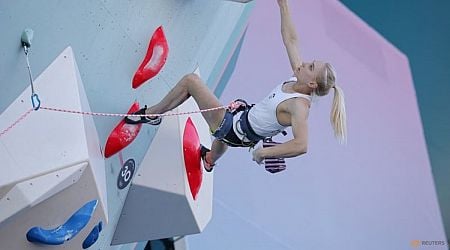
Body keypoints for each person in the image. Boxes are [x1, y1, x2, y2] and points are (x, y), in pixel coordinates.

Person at [124, 0, 347, 172]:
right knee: (227, 132)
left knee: (191, 82)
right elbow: (291, 39)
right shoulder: (298, 79)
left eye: (310, 67)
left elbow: (301, 145)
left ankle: (152, 115)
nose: (304, 63)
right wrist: (283, 4)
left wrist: (264, 155)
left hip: (234, 128)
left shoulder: (299, 106)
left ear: (311, 83)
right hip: (245, 124)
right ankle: (209, 160)